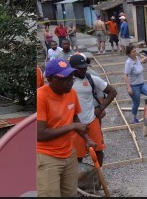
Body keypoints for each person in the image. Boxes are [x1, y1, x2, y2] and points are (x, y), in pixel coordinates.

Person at [37, 58, 97, 197]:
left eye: (71, 77)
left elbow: (75, 118)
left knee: (69, 194)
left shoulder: (71, 93)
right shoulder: (41, 97)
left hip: (69, 154)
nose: (70, 81)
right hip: (47, 157)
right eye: (65, 78)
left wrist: (87, 139)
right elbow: (40, 135)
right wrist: (72, 127)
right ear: (50, 79)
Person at [69, 53, 117, 167]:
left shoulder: (91, 79)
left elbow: (113, 92)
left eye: (85, 67)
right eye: (81, 68)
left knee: (98, 151)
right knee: (77, 156)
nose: (84, 70)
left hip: (91, 119)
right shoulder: (67, 82)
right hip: (74, 123)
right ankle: (80, 178)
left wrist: (101, 108)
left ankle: (98, 174)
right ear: (73, 68)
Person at [124, 44, 147, 124]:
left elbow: (138, 63)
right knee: (136, 102)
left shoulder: (137, 58)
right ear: (129, 54)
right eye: (133, 52)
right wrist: (129, 88)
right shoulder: (128, 63)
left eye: (135, 51)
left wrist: (143, 60)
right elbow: (125, 75)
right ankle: (134, 117)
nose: (135, 53)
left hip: (142, 84)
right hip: (134, 86)